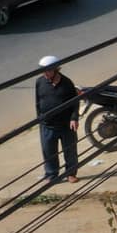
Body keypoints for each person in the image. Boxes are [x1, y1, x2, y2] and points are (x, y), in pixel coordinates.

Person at [35, 55, 80, 185]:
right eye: (43, 71)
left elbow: (75, 102)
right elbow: (38, 102)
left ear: (56, 70)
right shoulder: (39, 82)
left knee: (70, 151)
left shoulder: (67, 83)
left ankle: (71, 173)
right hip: (47, 125)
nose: (45, 73)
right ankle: (51, 174)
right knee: (49, 151)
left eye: (48, 70)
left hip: (66, 125)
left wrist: (74, 118)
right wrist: (39, 118)